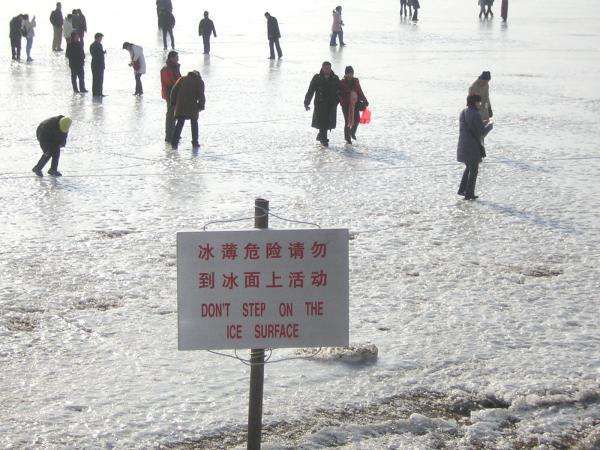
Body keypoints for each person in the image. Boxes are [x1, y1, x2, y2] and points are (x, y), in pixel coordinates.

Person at [457, 95, 493, 200]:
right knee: (473, 170)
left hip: (463, 145)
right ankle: (469, 194)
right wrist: (490, 125)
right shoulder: (475, 114)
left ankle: (463, 190)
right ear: (475, 102)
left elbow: (473, 127)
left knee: (469, 168)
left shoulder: (463, 111)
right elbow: (482, 132)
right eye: (479, 102)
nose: (480, 104)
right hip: (472, 147)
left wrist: (482, 123)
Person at [304, 61, 340, 147]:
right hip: (320, 104)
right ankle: (324, 139)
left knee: (328, 122)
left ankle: (321, 136)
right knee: (322, 122)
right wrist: (306, 102)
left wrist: (337, 101)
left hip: (331, 104)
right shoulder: (317, 78)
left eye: (328, 68)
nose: (327, 70)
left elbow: (339, 91)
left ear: (330, 68)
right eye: (325, 68)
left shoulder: (335, 78)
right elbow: (311, 90)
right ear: (322, 68)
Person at [170, 71, 206, 149]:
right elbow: (201, 95)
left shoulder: (182, 79)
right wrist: (201, 106)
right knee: (194, 123)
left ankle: (174, 142)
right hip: (192, 106)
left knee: (180, 123)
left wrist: (173, 102)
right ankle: (195, 142)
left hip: (181, 105)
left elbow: (174, 91)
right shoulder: (199, 81)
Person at [339, 66, 368, 145]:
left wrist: (364, 100)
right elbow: (340, 94)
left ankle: (352, 132)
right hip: (346, 105)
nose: (350, 75)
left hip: (355, 103)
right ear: (345, 74)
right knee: (348, 121)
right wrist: (348, 94)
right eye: (348, 73)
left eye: (351, 73)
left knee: (357, 119)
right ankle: (347, 138)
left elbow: (359, 91)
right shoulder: (341, 82)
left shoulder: (356, 81)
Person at [160, 51, 181, 142]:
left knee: (174, 115)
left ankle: (173, 133)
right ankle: (169, 135)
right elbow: (171, 82)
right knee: (170, 115)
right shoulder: (167, 69)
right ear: (171, 58)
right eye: (176, 57)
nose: (178, 59)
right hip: (170, 95)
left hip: (175, 94)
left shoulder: (174, 67)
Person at [90, 33, 106, 97]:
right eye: (100, 38)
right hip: (98, 64)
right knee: (99, 79)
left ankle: (96, 93)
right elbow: (98, 55)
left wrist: (102, 53)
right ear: (97, 38)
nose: (101, 39)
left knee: (96, 79)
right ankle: (98, 93)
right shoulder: (98, 45)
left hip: (95, 64)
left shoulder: (92, 45)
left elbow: (95, 54)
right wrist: (102, 53)